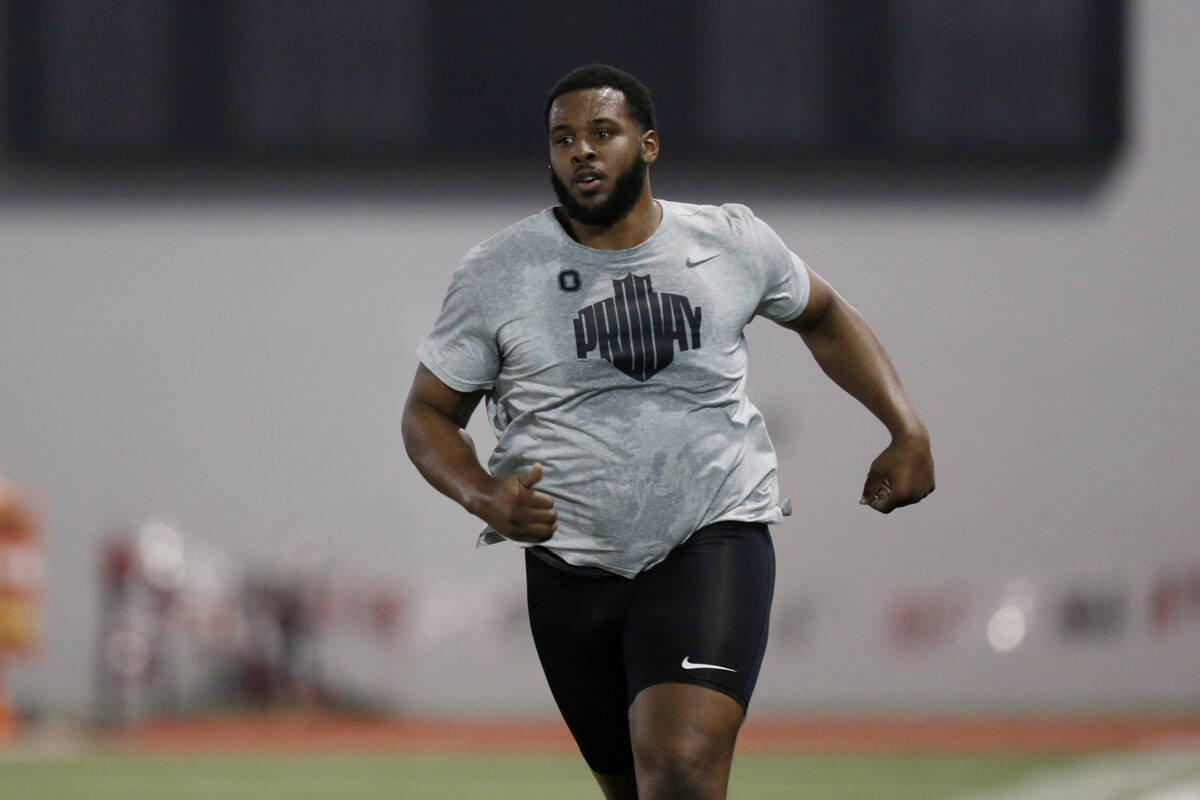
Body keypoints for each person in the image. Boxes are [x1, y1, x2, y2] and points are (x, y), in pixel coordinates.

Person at [402, 64, 934, 800]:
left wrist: (904, 427)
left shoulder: (729, 241)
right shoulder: (498, 272)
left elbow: (825, 314)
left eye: (601, 132)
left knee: (680, 767)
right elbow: (429, 414)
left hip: (710, 534)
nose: (581, 151)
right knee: (635, 789)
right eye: (563, 139)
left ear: (648, 145)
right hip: (570, 566)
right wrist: (482, 495)